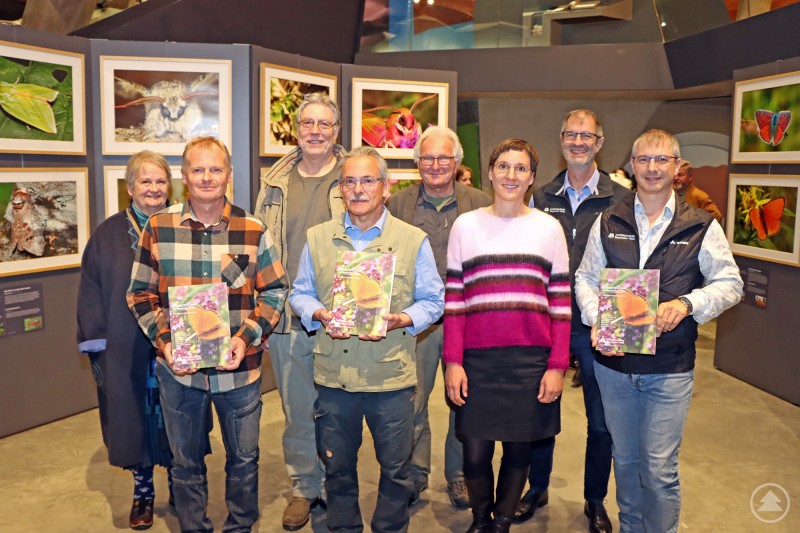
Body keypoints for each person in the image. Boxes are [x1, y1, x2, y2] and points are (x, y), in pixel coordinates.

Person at [574, 129, 743, 533]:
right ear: (632, 166)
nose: (652, 168)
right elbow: (585, 278)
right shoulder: (607, 220)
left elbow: (731, 284)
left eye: (662, 160)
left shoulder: (701, 226)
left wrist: (687, 304)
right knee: (627, 461)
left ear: (677, 167)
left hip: (669, 369)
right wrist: (597, 317)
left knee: (659, 468)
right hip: (613, 368)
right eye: (644, 160)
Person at [127, 137, 289, 533]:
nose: (207, 177)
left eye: (215, 169)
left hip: (240, 372)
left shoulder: (252, 229)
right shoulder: (158, 228)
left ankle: (240, 526)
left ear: (228, 176)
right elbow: (139, 293)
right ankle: (193, 527)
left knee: (244, 461)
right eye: (197, 170)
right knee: (185, 465)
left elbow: (275, 290)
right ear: (184, 177)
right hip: (179, 374)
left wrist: (246, 336)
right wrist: (165, 344)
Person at [289, 145, 444, 532]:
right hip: (334, 375)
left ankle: (390, 527)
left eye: (368, 180)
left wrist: (401, 319)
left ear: (385, 188)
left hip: (390, 377)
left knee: (396, 470)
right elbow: (299, 293)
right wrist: (319, 313)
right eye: (350, 181)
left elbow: (434, 300)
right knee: (337, 467)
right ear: (341, 188)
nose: (358, 189)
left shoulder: (413, 240)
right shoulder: (318, 237)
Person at [444, 138, 571, 532]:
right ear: (490, 172)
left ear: (532, 178)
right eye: (503, 166)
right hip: (478, 361)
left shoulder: (549, 229)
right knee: (476, 453)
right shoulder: (465, 226)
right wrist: (452, 361)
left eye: (520, 168)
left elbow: (561, 307)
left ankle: (500, 524)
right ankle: (481, 519)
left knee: (519, 450)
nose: (510, 175)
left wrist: (557, 367)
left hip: (531, 361)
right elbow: (454, 301)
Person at [518, 109, 633, 533]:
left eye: (587, 135)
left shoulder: (623, 197)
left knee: (601, 421)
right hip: (547, 323)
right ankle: (537, 487)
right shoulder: (541, 197)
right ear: (561, 140)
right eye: (571, 134)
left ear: (600, 142)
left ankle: (595, 500)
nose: (579, 141)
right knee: (539, 412)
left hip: (599, 323)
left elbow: (632, 262)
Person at [254, 92, 346, 530]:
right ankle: (304, 487)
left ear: (336, 131)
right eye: (307, 123)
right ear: (296, 129)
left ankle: (337, 485)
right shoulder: (274, 183)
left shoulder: (353, 178)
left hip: (338, 318)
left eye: (323, 124)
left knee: (338, 408)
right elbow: (255, 245)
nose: (314, 131)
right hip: (287, 318)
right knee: (296, 410)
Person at [385, 126, 491, 508]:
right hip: (416, 322)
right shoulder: (397, 205)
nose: (435, 165)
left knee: (462, 399)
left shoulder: (480, 203)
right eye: (427, 158)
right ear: (417, 164)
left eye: (444, 158)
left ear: (458, 162)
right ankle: (415, 473)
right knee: (412, 399)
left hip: (467, 318)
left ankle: (459, 474)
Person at [77, 151, 174, 531]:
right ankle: (144, 491)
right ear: (130, 187)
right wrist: (97, 345)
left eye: (160, 181)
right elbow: (90, 290)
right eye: (145, 181)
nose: (153, 188)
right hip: (124, 345)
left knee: (177, 416)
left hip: (175, 343)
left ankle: (182, 484)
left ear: (170, 186)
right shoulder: (107, 234)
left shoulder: (182, 225)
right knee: (136, 419)